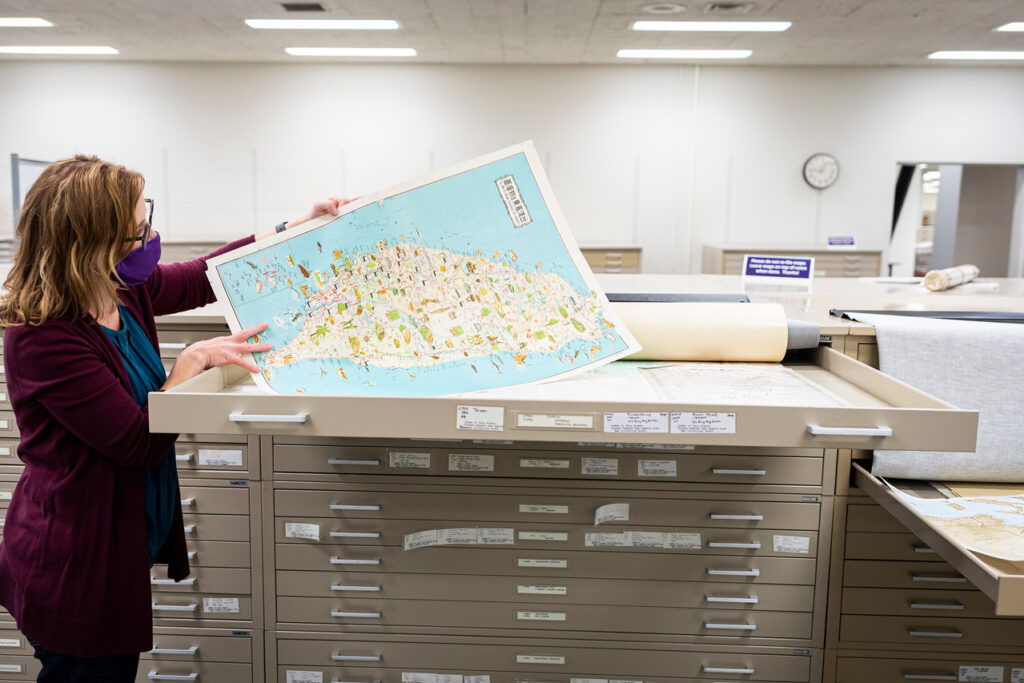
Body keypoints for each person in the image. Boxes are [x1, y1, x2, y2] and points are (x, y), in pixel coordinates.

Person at [0, 154, 348, 681]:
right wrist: (186, 368)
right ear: (91, 247)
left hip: (116, 540)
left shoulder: (120, 289)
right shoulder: (43, 336)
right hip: (73, 562)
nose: (152, 238)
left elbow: (206, 276)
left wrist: (295, 227)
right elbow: (136, 441)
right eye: (138, 233)